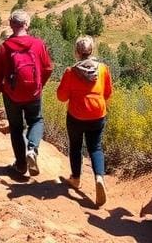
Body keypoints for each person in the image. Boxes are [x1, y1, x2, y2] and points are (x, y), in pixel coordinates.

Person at [0, 9, 54, 177]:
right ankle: (32, 149)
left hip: (12, 95)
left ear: (11, 25)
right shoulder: (38, 44)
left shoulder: (4, 48)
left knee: (16, 128)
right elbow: (48, 68)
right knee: (36, 120)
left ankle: (21, 165)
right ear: (27, 24)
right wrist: (40, 84)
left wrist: (3, 89)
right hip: (33, 93)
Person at [56, 35, 113, 207]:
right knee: (95, 147)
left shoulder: (70, 72)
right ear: (92, 51)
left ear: (77, 53)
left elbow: (61, 97)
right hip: (97, 114)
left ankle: (76, 178)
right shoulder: (103, 69)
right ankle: (99, 177)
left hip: (76, 116)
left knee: (75, 146)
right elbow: (108, 93)